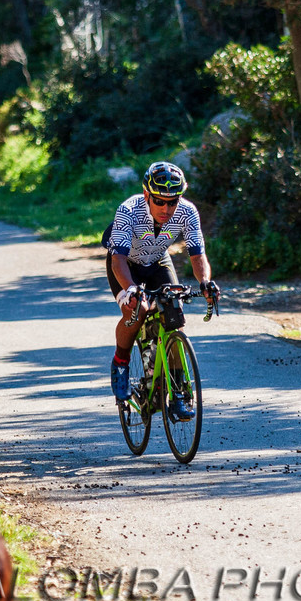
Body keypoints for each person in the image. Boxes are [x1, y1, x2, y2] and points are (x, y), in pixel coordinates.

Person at [105, 162, 219, 418]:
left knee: (174, 314)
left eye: (173, 201)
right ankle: (121, 363)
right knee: (139, 309)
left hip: (157, 261)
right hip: (126, 265)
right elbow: (117, 261)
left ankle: (178, 392)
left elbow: (198, 254)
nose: (166, 208)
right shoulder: (128, 210)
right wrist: (131, 290)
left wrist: (204, 283)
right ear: (147, 195)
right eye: (159, 201)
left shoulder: (188, 211)